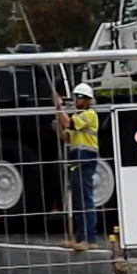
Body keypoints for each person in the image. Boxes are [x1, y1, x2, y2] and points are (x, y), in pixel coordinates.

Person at [54, 82, 100, 251]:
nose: (77, 100)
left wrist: (59, 107)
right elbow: (67, 137)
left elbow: (70, 125)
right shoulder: (79, 116)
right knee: (78, 203)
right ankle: (80, 239)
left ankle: (89, 239)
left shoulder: (89, 115)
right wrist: (58, 126)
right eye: (76, 97)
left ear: (88, 100)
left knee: (86, 201)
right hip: (76, 162)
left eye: (80, 97)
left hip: (86, 161)